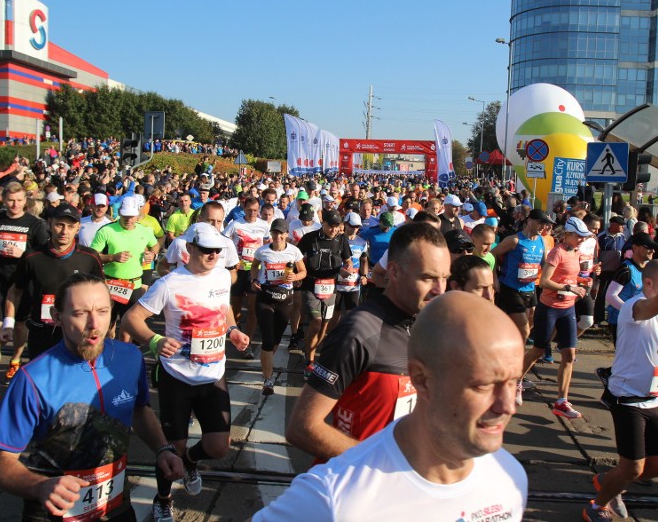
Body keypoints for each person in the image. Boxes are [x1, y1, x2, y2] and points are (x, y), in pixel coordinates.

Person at [256, 292, 527, 521]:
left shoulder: (510, 479)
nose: (508, 406)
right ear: (421, 379)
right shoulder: (335, 497)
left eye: (514, 382)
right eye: (483, 385)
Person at [0, 273, 184, 522]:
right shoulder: (32, 379)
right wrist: (39, 486)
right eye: (80, 313)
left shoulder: (130, 357)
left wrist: (162, 449)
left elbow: (139, 410)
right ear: (57, 316)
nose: (95, 324)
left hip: (116, 507)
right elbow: (0, 463)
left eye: (102, 311)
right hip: (55, 514)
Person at [286, 223, 449, 462]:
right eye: (428, 278)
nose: (440, 289)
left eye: (445, 278)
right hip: (356, 487)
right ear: (393, 272)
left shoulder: (430, 326)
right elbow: (302, 427)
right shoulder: (359, 331)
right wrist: (381, 464)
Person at [120, 223, 251, 520]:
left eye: (217, 250)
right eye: (206, 250)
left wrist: (232, 330)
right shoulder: (170, 283)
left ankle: (191, 461)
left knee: (218, 447)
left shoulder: (221, 275)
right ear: (190, 249)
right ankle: (163, 498)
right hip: (177, 377)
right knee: (171, 448)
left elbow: (224, 306)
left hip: (213, 373)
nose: (213, 256)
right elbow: (131, 319)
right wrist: (154, 340)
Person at [584, 244, 658, 522]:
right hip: (629, 399)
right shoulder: (634, 306)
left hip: (656, 399)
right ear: (649, 283)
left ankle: (610, 480)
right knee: (632, 468)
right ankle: (596, 505)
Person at [0, 204, 104, 359]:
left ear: (78, 228)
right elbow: (15, 291)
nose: (64, 231)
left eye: (70, 226)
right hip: (41, 331)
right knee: (41, 379)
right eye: (59, 225)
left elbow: (102, 296)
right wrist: (8, 324)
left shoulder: (90, 258)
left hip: (78, 332)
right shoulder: (32, 257)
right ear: (50, 223)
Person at [519, 217, 597, 418]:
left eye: (583, 237)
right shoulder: (557, 253)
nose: (581, 240)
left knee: (569, 354)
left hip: (568, 308)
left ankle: (562, 401)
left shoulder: (577, 252)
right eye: (578, 237)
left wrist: (583, 280)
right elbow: (544, 282)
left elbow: (569, 277)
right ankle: (514, 381)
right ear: (568, 234)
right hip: (550, 308)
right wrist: (569, 287)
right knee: (537, 351)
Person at [0, 182, 49, 401]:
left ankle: (15, 359)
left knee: (20, 326)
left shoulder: (35, 224)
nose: (15, 204)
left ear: (25, 201)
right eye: (11, 200)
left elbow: (42, 254)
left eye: (19, 200)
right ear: (3, 199)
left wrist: (23, 253)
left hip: (23, 281)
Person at [250, 218, 307, 394]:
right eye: (275, 233)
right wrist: (254, 279)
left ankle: (267, 362)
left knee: (275, 341)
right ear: (271, 234)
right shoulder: (262, 251)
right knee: (267, 340)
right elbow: (254, 266)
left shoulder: (294, 251)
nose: (277, 236)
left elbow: (303, 271)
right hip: (265, 298)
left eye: (281, 233)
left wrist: (295, 278)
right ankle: (268, 380)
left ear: (286, 235)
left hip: (285, 300)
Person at [90, 196, 159, 336]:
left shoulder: (145, 231)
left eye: (132, 216)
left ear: (138, 215)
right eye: (125, 215)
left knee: (128, 328)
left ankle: (124, 356)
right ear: (120, 213)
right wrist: (112, 257)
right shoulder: (107, 230)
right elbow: (92, 256)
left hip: (134, 285)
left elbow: (155, 245)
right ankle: (106, 354)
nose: (128, 220)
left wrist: (153, 255)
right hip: (110, 283)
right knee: (107, 327)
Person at [297, 210, 353, 368]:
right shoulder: (310, 238)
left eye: (337, 226)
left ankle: (310, 349)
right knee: (316, 321)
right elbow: (296, 257)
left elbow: (347, 260)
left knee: (324, 326)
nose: (334, 230)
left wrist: (346, 268)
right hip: (311, 286)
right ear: (323, 223)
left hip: (330, 288)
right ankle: (310, 361)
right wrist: (298, 275)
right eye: (331, 226)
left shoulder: (341, 240)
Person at [491, 209, 552, 344]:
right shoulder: (514, 240)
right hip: (511, 289)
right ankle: (519, 360)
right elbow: (492, 254)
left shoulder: (542, 241)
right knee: (524, 330)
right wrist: (494, 278)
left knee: (527, 326)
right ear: (529, 221)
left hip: (530, 288)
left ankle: (509, 350)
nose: (544, 227)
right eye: (540, 223)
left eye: (546, 224)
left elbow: (545, 264)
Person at [224, 197, 271, 357]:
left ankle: (248, 342)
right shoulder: (235, 224)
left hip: (254, 271)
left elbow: (266, 245)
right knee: (236, 309)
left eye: (255, 210)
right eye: (250, 210)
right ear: (244, 209)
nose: (252, 213)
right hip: (237, 271)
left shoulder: (263, 225)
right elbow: (224, 242)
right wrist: (229, 261)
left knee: (252, 309)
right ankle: (236, 334)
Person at [605, 233, 657, 345]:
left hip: (640, 320)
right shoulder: (626, 269)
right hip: (621, 320)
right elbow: (610, 295)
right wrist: (630, 310)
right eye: (648, 247)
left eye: (654, 248)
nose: (653, 251)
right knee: (625, 357)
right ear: (635, 248)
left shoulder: (650, 268)